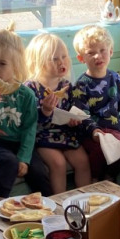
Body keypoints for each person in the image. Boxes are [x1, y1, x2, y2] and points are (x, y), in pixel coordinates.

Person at [0, 25, 51, 199]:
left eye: (2, 63)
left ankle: (46, 206)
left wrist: (24, 158)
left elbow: (29, 129)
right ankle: (0, 202)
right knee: (8, 162)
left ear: (16, 66)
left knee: (38, 171)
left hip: (19, 142)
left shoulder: (26, 94)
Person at [23, 32, 91, 194]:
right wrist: (45, 111)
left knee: (82, 161)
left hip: (65, 133)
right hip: (41, 136)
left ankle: (87, 200)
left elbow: (70, 110)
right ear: (38, 61)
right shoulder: (29, 88)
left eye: (64, 57)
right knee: (58, 163)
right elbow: (28, 121)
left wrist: (74, 119)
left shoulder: (66, 85)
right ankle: (58, 204)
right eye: (54, 59)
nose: (61, 62)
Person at [71, 24, 120, 181]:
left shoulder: (116, 79)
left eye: (102, 50)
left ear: (110, 52)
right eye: (91, 53)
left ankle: (109, 176)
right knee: (99, 150)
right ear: (81, 58)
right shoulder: (81, 84)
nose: (98, 56)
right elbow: (82, 115)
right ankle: (96, 179)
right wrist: (95, 132)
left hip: (113, 130)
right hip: (91, 132)